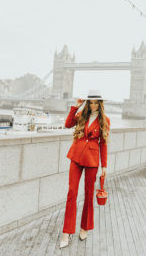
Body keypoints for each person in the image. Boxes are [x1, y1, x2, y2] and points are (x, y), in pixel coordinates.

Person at [60, 89, 110, 249]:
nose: (94, 105)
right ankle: (66, 233)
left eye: (96, 103)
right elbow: (67, 124)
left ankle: (84, 227)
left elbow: (103, 143)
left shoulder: (105, 120)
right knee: (72, 193)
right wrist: (76, 106)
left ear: (100, 104)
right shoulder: (82, 115)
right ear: (88, 103)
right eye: (91, 102)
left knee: (89, 195)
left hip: (92, 160)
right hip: (76, 157)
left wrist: (104, 165)